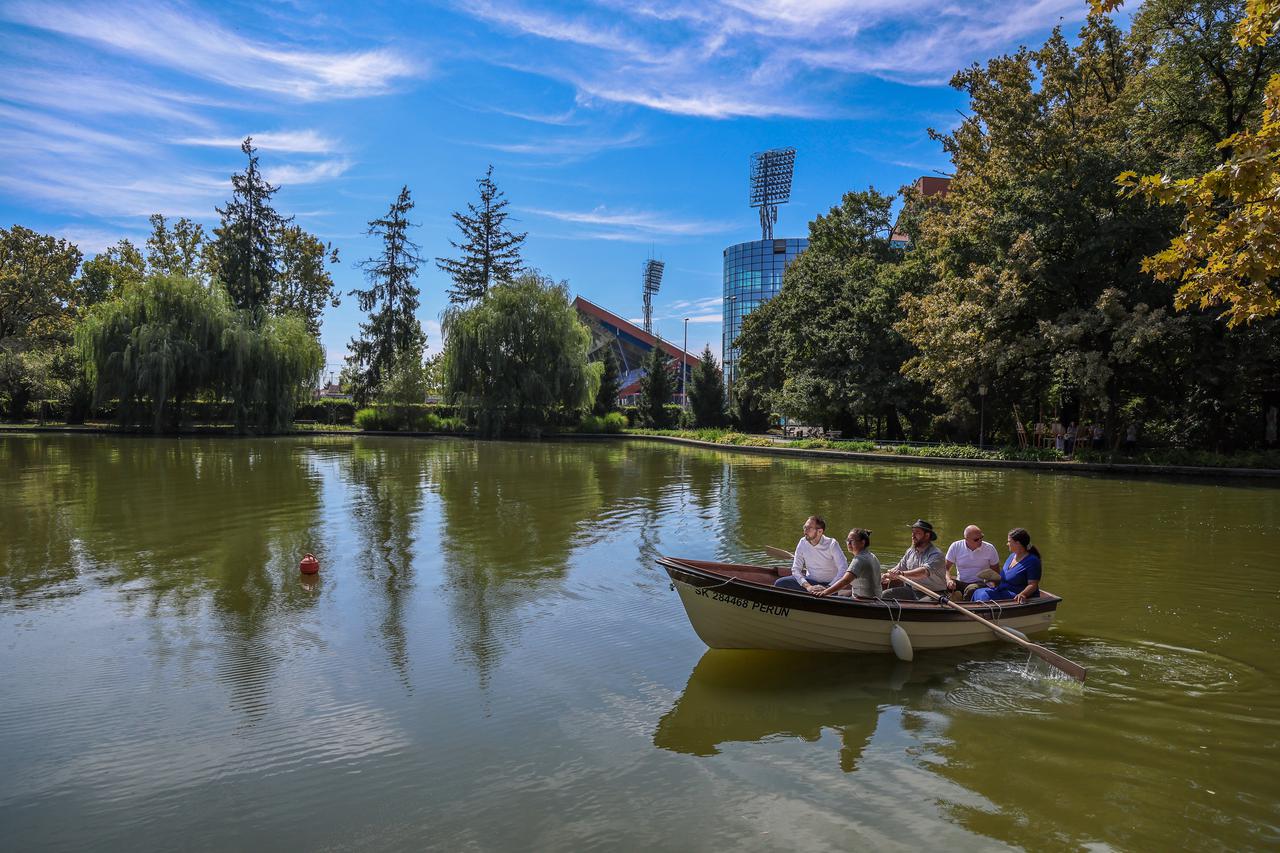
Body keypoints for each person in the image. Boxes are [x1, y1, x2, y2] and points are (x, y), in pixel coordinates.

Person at [774, 515, 847, 593]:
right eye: (804, 527)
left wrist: (828, 588)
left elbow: (843, 569)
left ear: (820, 531)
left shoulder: (832, 544)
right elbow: (796, 569)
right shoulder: (802, 542)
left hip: (830, 584)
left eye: (809, 528)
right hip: (810, 582)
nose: (805, 531)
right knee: (780, 583)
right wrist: (808, 586)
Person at [881, 520, 947, 601]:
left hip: (933, 593)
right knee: (885, 595)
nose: (913, 535)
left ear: (927, 535)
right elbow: (899, 569)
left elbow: (923, 572)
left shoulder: (936, 554)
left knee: (922, 606)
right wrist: (887, 575)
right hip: (911, 590)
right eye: (913, 532)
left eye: (917, 533)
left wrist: (902, 574)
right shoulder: (910, 551)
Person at [972, 528, 1042, 603]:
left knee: (985, 595)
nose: (1007, 544)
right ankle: (975, 612)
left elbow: (1033, 585)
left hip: (1015, 595)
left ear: (1017, 543)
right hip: (1003, 590)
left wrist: (1023, 594)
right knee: (977, 592)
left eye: (1009, 542)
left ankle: (984, 613)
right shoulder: (1012, 556)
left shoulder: (1033, 561)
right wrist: (992, 580)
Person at [816, 528, 881, 599]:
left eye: (852, 541)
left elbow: (845, 581)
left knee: (836, 594)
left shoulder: (859, 559)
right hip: (876, 598)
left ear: (863, 542)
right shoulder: (872, 556)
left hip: (864, 601)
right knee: (841, 593)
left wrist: (824, 592)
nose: (848, 543)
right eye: (847, 540)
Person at [944, 525, 1001, 600]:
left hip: (981, 583)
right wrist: (948, 580)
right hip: (961, 581)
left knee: (970, 589)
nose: (980, 540)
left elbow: (996, 572)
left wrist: (991, 585)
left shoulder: (989, 548)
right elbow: (945, 568)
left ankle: (964, 605)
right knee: (941, 583)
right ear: (966, 539)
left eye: (981, 537)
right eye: (976, 539)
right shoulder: (956, 546)